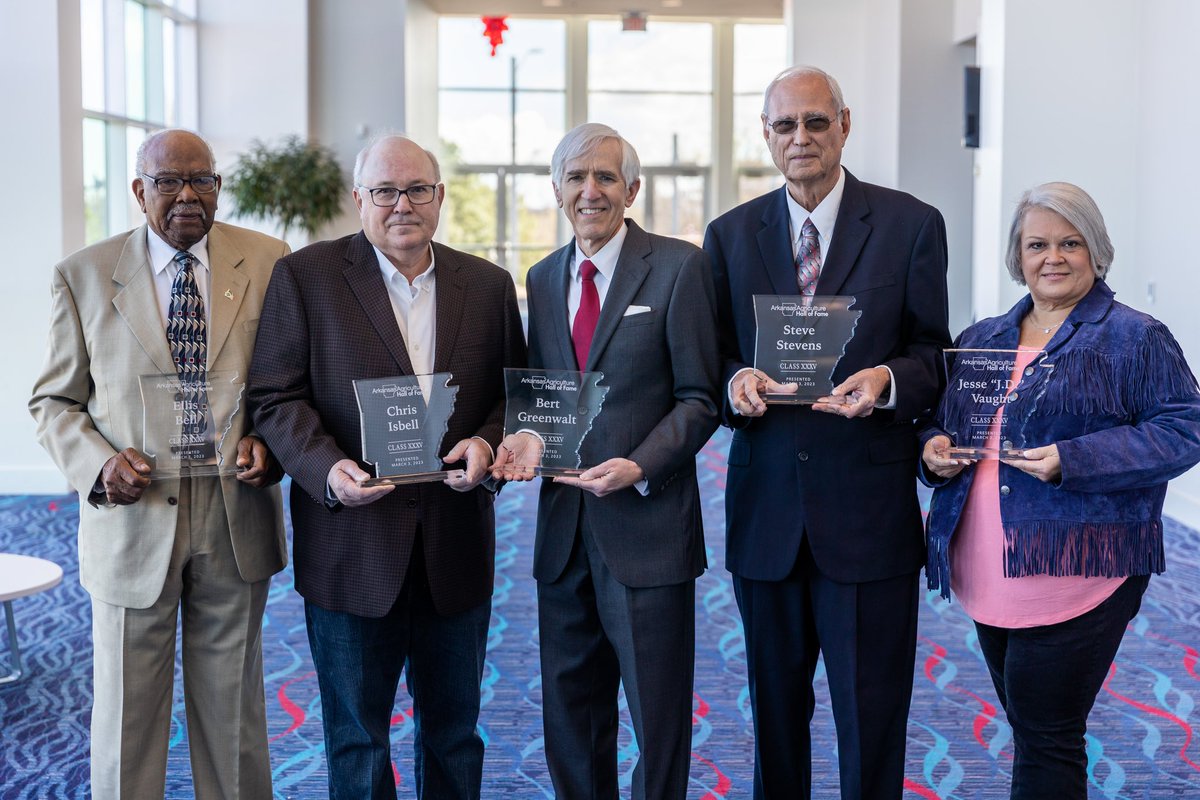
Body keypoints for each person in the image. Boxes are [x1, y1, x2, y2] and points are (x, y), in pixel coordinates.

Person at [247, 134, 526, 800]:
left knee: (455, 735)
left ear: (439, 197)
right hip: (352, 546)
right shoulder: (306, 277)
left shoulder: (487, 286)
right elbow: (274, 395)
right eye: (385, 191)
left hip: (454, 543)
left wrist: (487, 446)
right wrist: (326, 468)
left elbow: (513, 396)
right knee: (358, 741)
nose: (402, 204)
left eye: (417, 190)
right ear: (358, 199)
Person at [702, 66, 952, 799]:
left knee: (871, 717)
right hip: (768, 511)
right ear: (767, 135)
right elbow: (710, 357)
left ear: (845, 124)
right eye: (785, 126)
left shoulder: (910, 225)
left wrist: (887, 381)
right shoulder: (728, 235)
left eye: (816, 122)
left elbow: (935, 352)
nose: (801, 138)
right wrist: (733, 383)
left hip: (867, 511)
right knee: (774, 717)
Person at [29, 129, 288, 799]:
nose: (187, 195)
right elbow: (54, 401)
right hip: (132, 519)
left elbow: (292, 384)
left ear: (218, 188)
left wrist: (270, 441)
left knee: (234, 716)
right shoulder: (84, 274)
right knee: (126, 717)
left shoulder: (268, 262)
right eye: (168, 181)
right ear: (139, 190)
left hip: (237, 511)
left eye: (201, 180)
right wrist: (98, 464)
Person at [921, 182, 1200, 799]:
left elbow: (1185, 428)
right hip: (988, 564)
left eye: (1070, 243)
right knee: (1031, 727)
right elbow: (945, 423)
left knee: (1048, 736)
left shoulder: (1134, 336)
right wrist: (934, 451)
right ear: (1017, 257)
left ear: (1096, 251)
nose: (1053, 257)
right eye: (1037, 244)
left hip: (1081, 566)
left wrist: (1074, 459)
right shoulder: (982, 337)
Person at [491, 123, 720, 799]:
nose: (590, 191)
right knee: (570, 712)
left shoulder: (680, 267)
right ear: (557, 189)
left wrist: (640, 466)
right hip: (563, 533)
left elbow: (700, 398)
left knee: (657, 718)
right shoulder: (540, 276)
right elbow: (543, 395)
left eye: (605, 178)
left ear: (632, 189)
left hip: (647, 528)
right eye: (575, 178)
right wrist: (526, 438)